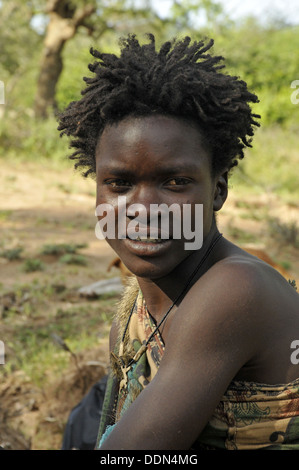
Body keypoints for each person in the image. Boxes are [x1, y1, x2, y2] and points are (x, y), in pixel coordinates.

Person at [58, 34, 299, 450]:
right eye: (119, 183)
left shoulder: (237, 290)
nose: (144, 208)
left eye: (175, 182)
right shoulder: (131, 315)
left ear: (218, 191)